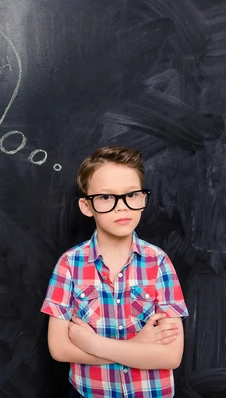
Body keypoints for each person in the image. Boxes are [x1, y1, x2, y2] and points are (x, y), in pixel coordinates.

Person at [41, 146, 189, 398]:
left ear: (143, 199)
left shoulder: (159, 262)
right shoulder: (70, 264)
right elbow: (59, 349)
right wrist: (136, 348)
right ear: (87, 206)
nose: (122, 207)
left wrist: (94, 344)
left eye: (132, 194)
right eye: (106, 197)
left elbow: (170, 356)